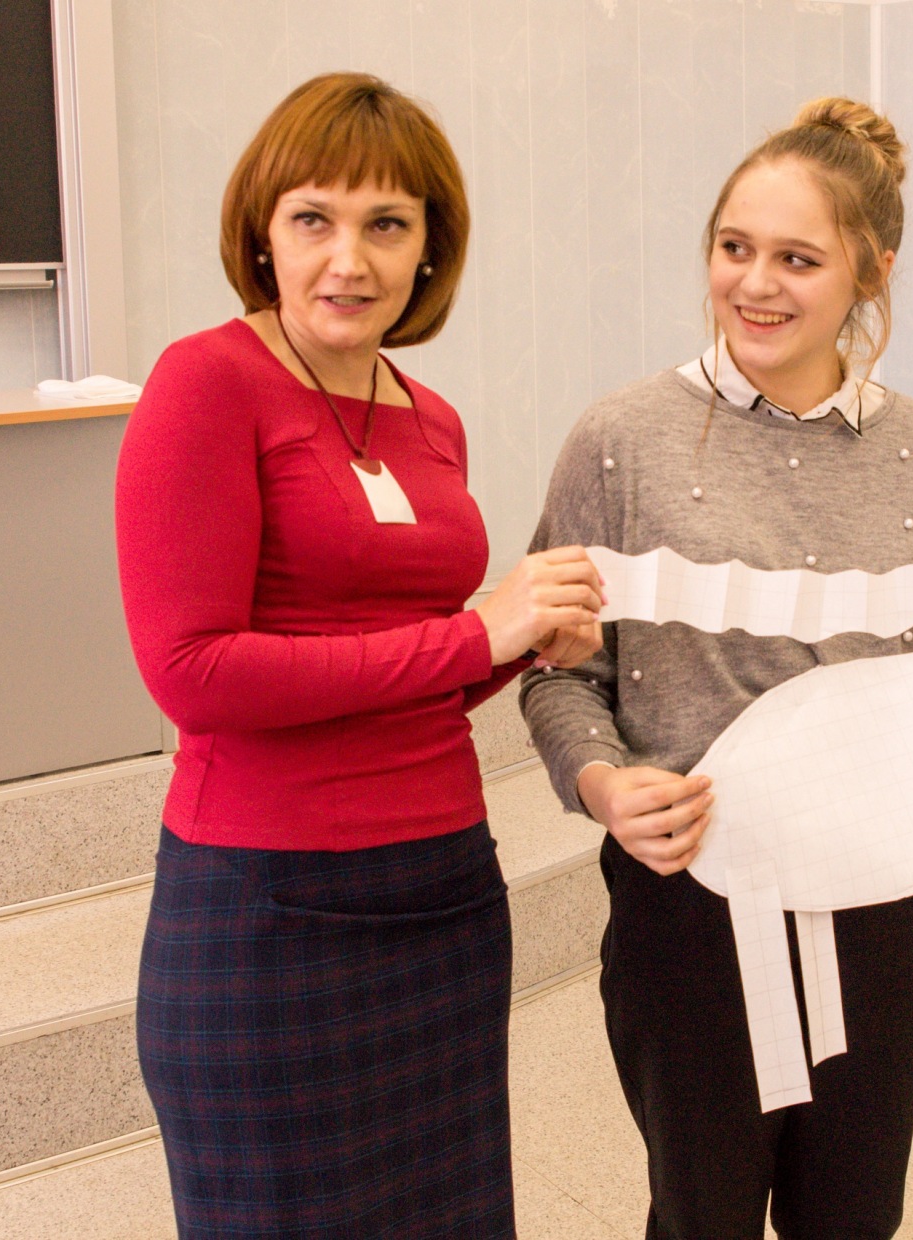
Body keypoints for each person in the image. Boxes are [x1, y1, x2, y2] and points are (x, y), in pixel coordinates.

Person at [519, 97, 913, 1240]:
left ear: (872, 273)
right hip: (693, 906)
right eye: (734, 248)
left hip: (886, 906)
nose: (755, 284)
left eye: (798, 259)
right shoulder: (621, 438)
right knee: (700, 1218)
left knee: (855, 1217)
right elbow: (559, 670)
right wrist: (604, 784)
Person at [115, 73, 602, 1238]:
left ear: (430, 248)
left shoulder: (429, 417)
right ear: (263, 234)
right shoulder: (206, 381)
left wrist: (523, 643)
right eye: (313, 219)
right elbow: (192, 673)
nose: (350, 259)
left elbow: (414, 668)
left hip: (443, 893)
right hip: (269, 910)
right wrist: (478, 630)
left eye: (387, 223)